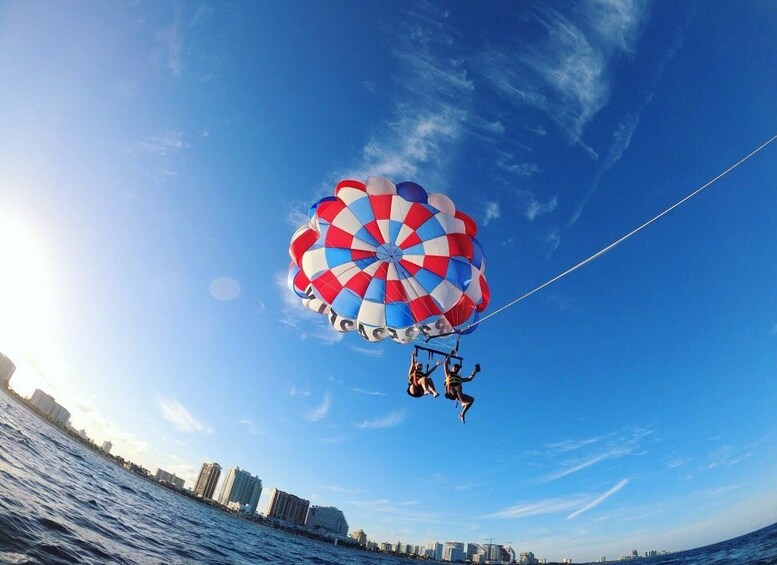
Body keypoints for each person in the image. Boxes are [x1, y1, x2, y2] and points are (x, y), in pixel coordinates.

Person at [444, 351, 480, 423]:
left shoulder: (459, 378)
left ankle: (462, 414)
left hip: (458, 394)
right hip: (450, 392)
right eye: (455, 367)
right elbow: (445, 363)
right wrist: (450, 354)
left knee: (471, 399)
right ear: (452, 368)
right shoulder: (448, 374)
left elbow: (469, 379)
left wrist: (475, 371)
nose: (456, 369)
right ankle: (463, 402)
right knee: (458, 386)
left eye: (458, 368)